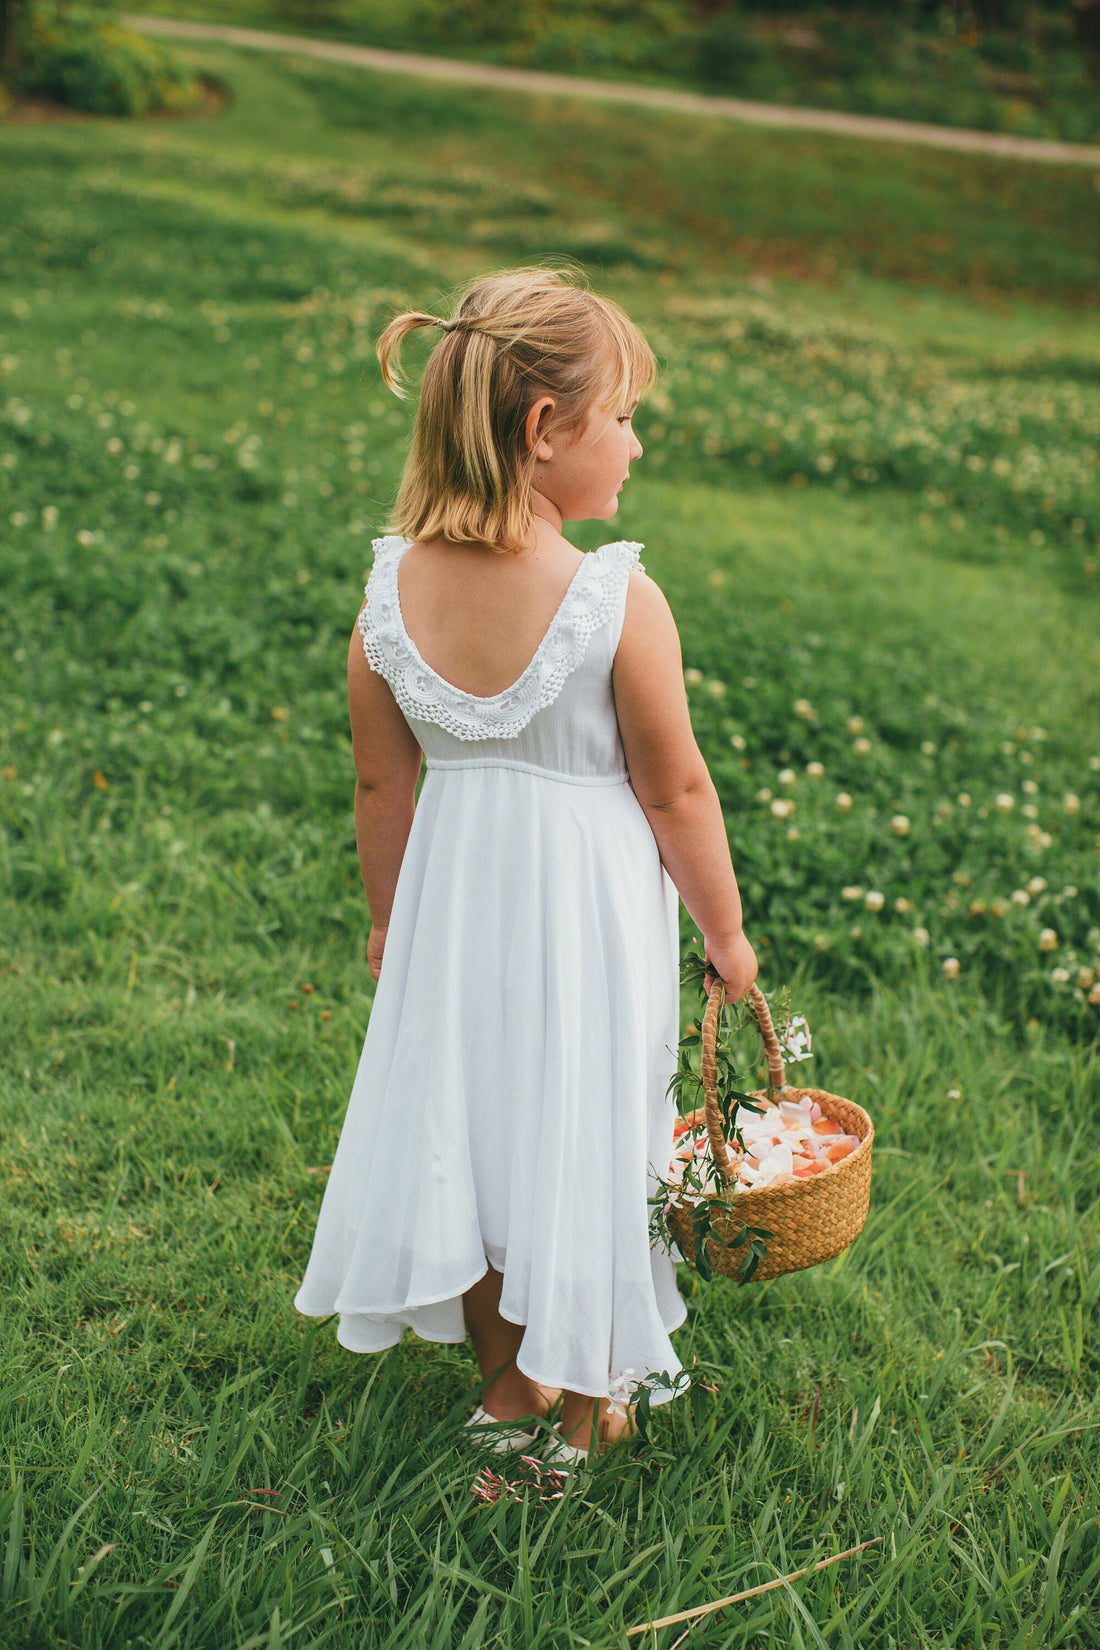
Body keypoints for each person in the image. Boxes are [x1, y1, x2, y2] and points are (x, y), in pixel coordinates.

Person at [294, 267, 757, 1465]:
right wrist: (725, 934)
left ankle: (509, 1389)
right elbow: (675, 788)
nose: (636, 443)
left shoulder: (386, 596)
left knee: (487, 1134)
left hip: (453, 920)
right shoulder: (611, 599)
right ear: (544, 433)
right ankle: (584, 1394)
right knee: (586, 1129)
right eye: (622, 417)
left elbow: (381, 786)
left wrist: (391, 923)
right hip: (586, 923)